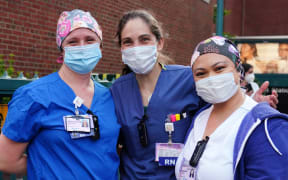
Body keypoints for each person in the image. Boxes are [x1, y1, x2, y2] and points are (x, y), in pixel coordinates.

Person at [111, 10, 279, 179]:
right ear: (121, 48)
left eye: (144, 39)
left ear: (159, 42)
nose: (137, 47)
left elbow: (219, 103)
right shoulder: (117, 90)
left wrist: (248, 102)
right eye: (128, 42)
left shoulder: (188, 78)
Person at [0, 9, 120, 179]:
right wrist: (50, 167)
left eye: (90, 40)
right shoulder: (33, 96)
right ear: (61, 51)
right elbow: (6, 161)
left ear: (100, 46)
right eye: (72, 41)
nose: (82, 47)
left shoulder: (110, 97)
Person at [175, 36, 288, 180]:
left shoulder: (267, 127)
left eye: (219, 68)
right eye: (201, 73)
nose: (211, 78)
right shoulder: (199, 117)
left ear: (238, 69)